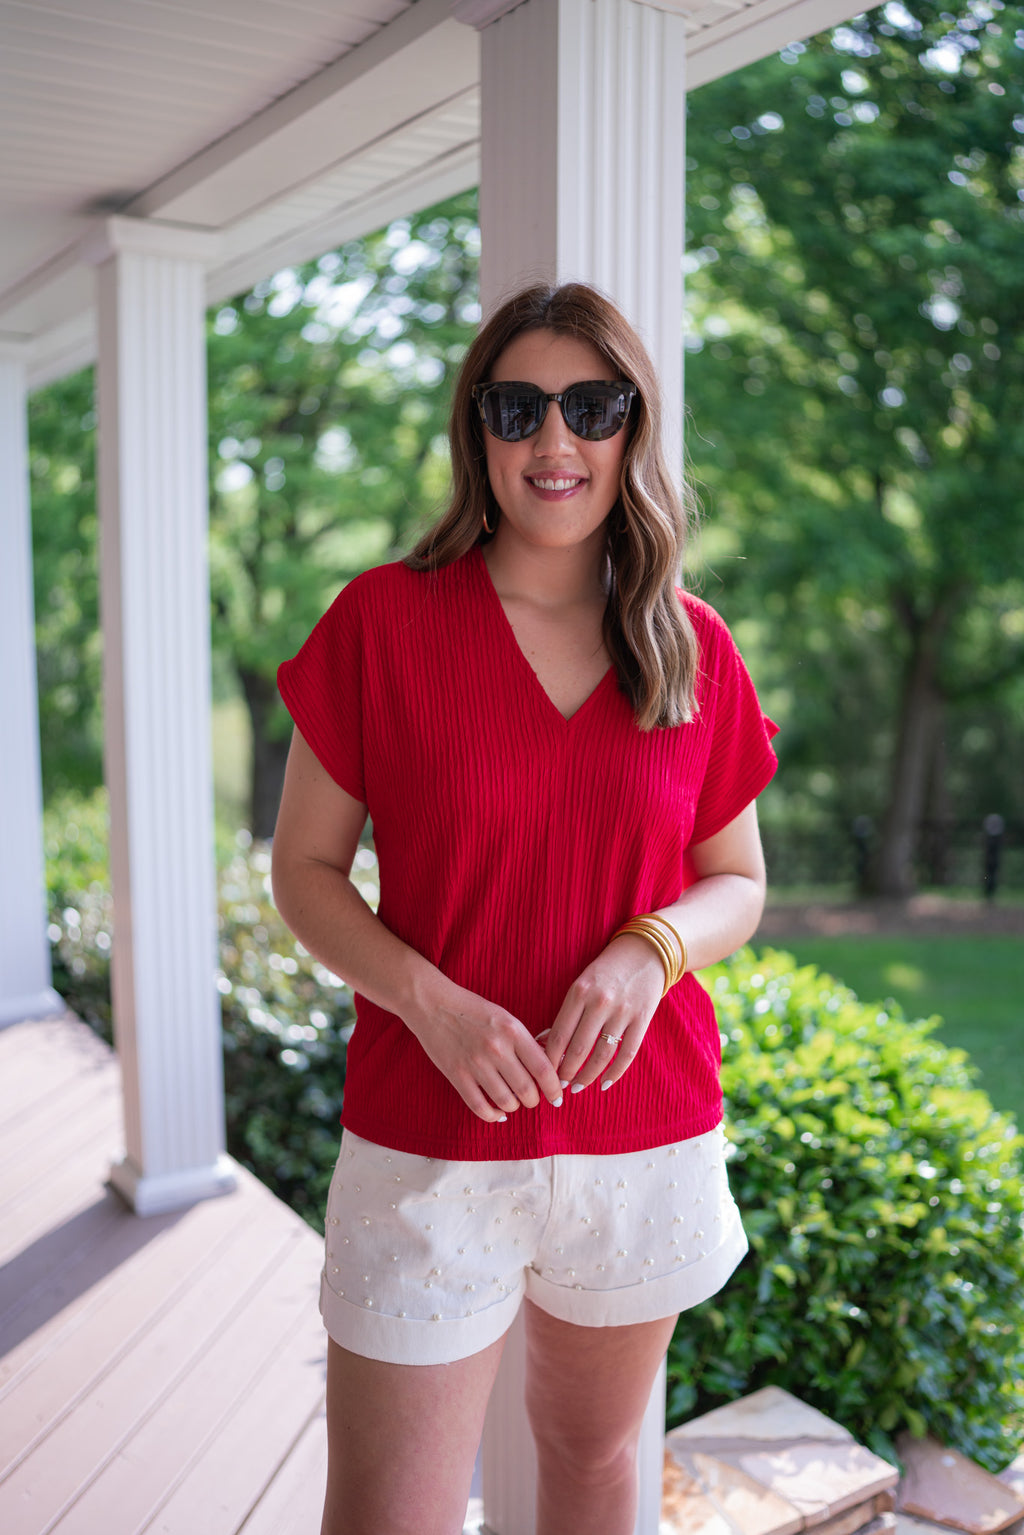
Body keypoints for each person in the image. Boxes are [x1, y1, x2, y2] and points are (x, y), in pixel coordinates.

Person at [271, 281, 778, 1535]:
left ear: (631, 429)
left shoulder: (689, 644)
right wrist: (430, 1001)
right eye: (519, 408)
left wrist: (647, 950)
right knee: (388, 1515)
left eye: (590, 408)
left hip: (640, 1136)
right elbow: (306, 871)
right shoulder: (382, 623)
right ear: (478, 433)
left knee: (596, 1469)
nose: (555, 443)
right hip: (428, 1142)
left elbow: (739, 880)